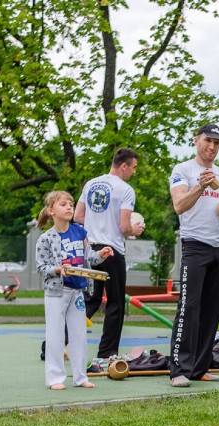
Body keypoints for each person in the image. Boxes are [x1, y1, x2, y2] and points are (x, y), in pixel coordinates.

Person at [167, 123, 219, 387]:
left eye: (216, 143)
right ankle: (179, 369)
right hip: (194, 245)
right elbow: (179, 206)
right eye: (208, 141)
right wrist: (200, 187)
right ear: (197, 140)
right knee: (188, 309)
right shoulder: (183, 170)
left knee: (212, 310)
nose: (212, 147)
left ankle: (200, 367)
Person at [36, 191, 112, 390]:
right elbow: (41, 267)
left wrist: (101, 255)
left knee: (79, 334)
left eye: (71, 203)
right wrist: (58, 270)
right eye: (63, 204)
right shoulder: (46, 238)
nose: (69, 207)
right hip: (56, 293)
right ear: (51, 211)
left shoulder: (80, 232)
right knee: (55, 335)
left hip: (78, 292)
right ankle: (55, 379)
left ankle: (80, 377)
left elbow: (89, 260)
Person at [75, 148, 144, 364]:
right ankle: (106, 352)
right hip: (112, 251)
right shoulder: (125, 190)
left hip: (91, 249)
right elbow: (124, 227)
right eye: (133, 167)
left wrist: (96, 227)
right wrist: (135, 229)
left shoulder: (91, 184)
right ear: (124, 166)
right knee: (115, 303)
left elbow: (78, 216)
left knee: (90, 301)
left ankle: (54, 344)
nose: (133, 172)